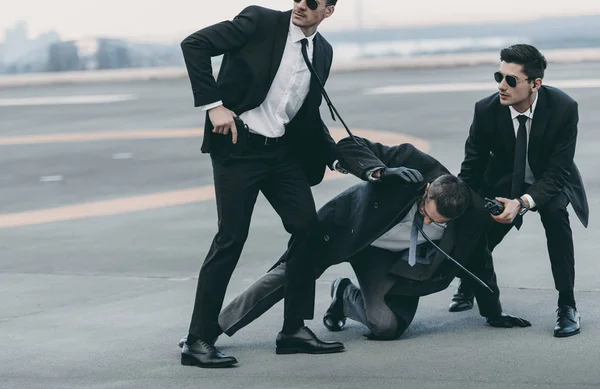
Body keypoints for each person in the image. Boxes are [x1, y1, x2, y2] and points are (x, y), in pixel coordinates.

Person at [179, 136, 531, 343]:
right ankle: (212, 329)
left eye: (436, 222)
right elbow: (350, 144)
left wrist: (494, 312)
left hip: (389, 261)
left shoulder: (470, 218)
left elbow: (480, 263)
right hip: (347, 229)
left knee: (387, 329)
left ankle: (344, 295)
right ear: (426, 190)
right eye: (426, 213)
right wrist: (378, 170)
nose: (426, 221)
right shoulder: (413, 163)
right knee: (287, 274)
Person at [179, 0, 345, 368]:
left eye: (314, 2)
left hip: (281, 153)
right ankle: (198, 340)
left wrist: (333, 154)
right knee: (232, 238)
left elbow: (307, 112)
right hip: (239, 148)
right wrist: (213, 105)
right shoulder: (259, 21)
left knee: (308, 229)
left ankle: (293, 331)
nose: (302, 5)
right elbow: (194, 44)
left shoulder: (323, 52)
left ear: (328, 11)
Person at [447, 44, 589, 338]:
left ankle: (567, 304)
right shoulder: (485, 110)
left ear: (535, 84)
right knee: (484, 229)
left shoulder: (564, 108)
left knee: (555, 216)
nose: (502, 85)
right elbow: (471, 169)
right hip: (502, 179)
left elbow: (558, 170)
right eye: (499, 76)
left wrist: (523, 203)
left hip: (550, 179)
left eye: (511, 80)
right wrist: (459, 207)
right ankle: (472, 280)